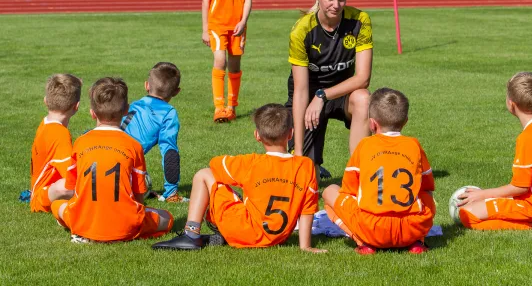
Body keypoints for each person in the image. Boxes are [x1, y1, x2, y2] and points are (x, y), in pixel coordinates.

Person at [151, 103, 326, 253]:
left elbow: (215, 164)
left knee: (203, 174)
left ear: (257, 136)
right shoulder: (306, 166)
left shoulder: (251, 163)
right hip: (277, 238)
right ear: (291, 134)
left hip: (246, 229)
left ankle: (191, 234)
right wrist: (305, 246)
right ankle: (223, 231)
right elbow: (307, 209)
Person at [51, 77, 174, 243]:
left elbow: (73, 189)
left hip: (83, 222)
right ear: (126, 111)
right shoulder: (134, 146)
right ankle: (117, 228)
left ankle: (82, 231)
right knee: (167, 218)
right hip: (126, 225)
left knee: (57, 205)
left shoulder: (80, 143)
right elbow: (139, 197)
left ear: (92, 112)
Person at [323, 88, 435, 255]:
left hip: (372, 228)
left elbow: (349, 190)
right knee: (425, 195)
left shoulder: (364, 146)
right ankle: (418, 241)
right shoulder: (414, 145)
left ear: (372, 123)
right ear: (405, 122)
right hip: (410, 228)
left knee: (329, 192)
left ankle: (363, 241)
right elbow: (427, 186)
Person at [286, 0, 372, 181]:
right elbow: (300, 90)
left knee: (364, 98)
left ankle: (358, 174)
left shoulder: (360, 20)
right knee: (307, 178)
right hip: (308, 99)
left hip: (341, 94)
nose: (336, 4)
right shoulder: (301, 31)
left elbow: (363, 78)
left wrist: (323, 95)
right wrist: (299, 151)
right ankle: (308, 162)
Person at [457, 72, 532, 231]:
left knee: (467, 214)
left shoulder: (528, 138)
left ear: (511, 103)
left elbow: (520, 187)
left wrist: (483, 194)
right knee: (480, 205)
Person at [197, 0, 258, 123]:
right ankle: (219, 107)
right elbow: (206, 0)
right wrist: (205, 29)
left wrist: (243, 21)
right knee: (220, 61)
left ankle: (232, 107)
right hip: (217, 25)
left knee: (234, 65)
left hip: (238, 26)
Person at [120, 62, 187, 203]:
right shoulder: (168, 114)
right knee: (140, 179)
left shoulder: (133, 105)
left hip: (101, 158)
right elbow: (170, 154)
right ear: (176, 92)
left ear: (147, 85)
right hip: (122, 165)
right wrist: (171, 191)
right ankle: (170, 195)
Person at [30, 74, 81, 213]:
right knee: (67, 186)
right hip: (41, 198)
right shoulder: (59, 134)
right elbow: (71, 177)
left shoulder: (46, 123)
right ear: (76, 106)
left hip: (41, 191)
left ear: (46, 101)